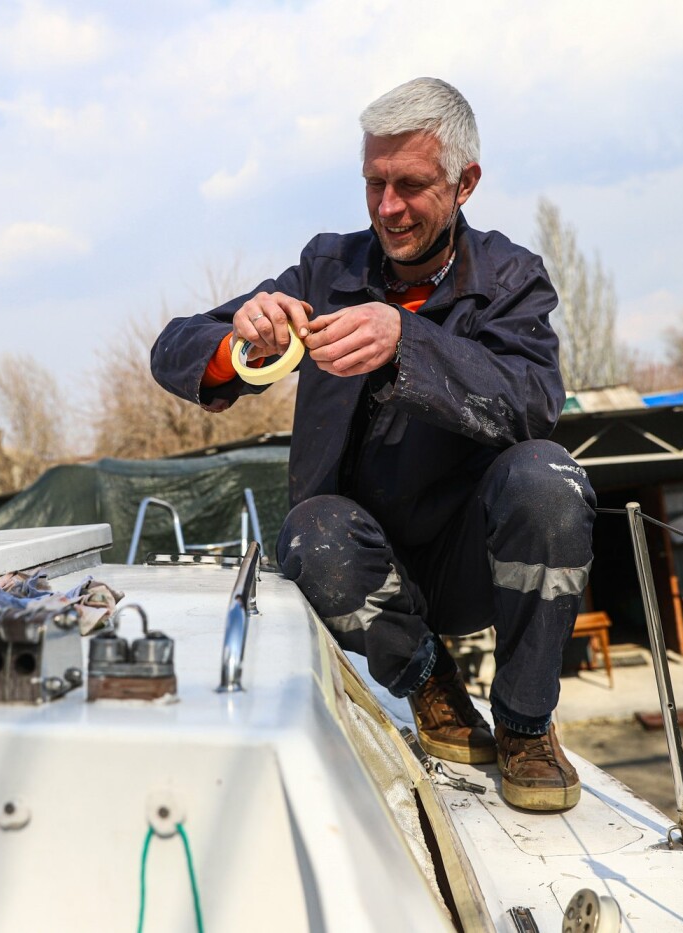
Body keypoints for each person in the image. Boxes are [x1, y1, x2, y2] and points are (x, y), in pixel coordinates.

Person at [150, 77, 595, 812]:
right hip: (362, 567)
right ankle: (430, 683)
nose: (388, 207)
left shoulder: (511, 278)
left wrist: (405, 339)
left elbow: (533, 401)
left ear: (465, 183)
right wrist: (239, 341)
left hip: (473, 561)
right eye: (374, 183)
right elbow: (173, 347)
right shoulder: (328, 271)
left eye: (411, 185)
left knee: (549, 477)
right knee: (310, 527)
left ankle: (524, 724)